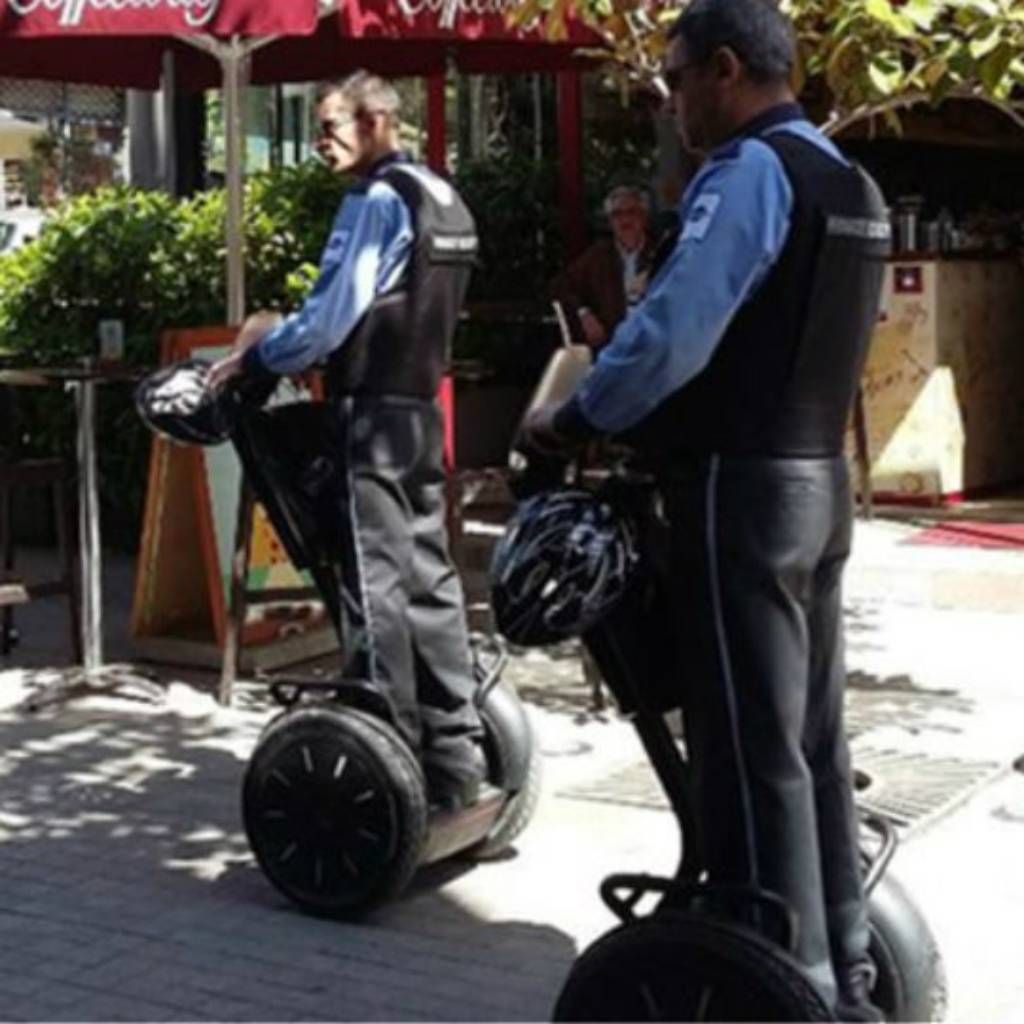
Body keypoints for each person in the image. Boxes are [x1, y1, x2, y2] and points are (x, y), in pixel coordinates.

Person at [524, 2, 889, 1020]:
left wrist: (574, 416)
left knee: (747, 746)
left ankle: (785, 979)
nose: (670, 99)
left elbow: (671, 333)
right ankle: (845, 969)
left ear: (727, 69)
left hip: (741, 488)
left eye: (677, 76)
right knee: (812, 741)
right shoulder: (849, 181)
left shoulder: (750, 173)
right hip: (818, 487)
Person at [209, 71, 486, 809]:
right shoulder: (443, 196)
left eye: (329, 126)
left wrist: (258, 358)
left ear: (376, 121)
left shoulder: (378, 200)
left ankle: (388, 760)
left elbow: (331, 318)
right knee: (431, 581)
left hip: (370, 413)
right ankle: (456, 758)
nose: (318, 142)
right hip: (421, 411)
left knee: (375, 586)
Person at [551, 185, 656, 349]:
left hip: (654, 345)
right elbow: (560, 286)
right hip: (611, 347)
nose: (625, 220)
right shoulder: (599, 256)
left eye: (631, 212)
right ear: (610, 222)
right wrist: (583, 314)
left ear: (643, 217)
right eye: (617, 214)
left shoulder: (660, 252)